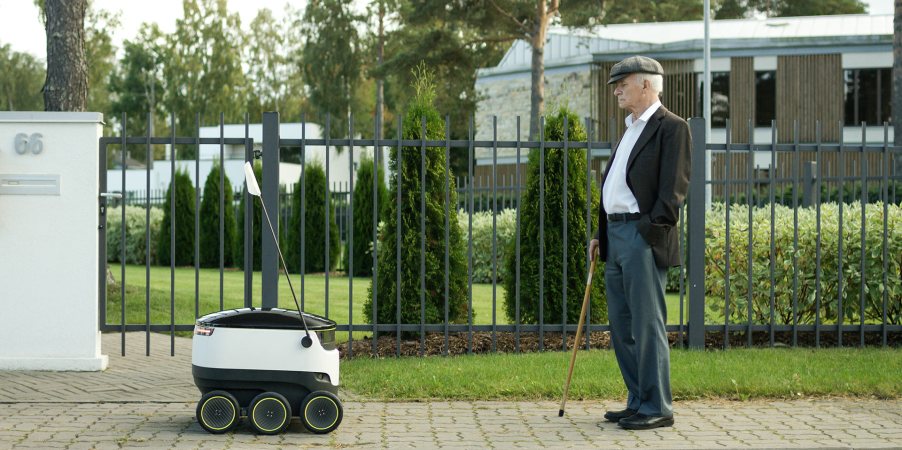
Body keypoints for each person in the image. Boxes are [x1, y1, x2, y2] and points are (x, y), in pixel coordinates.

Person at [588, 55, 691, 430]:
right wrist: (602, 234)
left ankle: (658, 406)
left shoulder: (671, 128)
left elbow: (673, 192)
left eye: (622, 83)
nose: (616, 89)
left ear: (646, 84)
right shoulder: (630, 128)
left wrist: (649, 233)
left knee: (647, 325)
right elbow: (616, 187)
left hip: (641, 237)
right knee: (622, 325)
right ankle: (638, 400)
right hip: (615, 236)